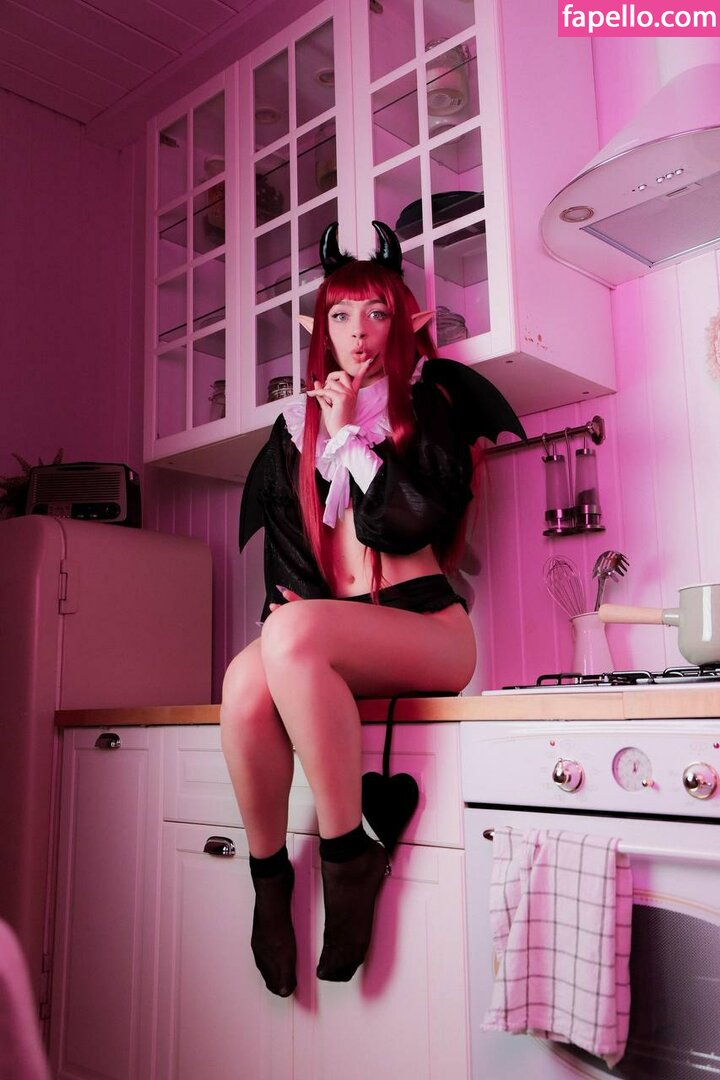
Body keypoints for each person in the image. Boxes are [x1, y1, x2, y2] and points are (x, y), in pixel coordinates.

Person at [220, 221, 525, 998]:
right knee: (243, 681)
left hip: (430, 630)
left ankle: (347, 855)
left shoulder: (431, 405)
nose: (358, 331)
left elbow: (412, 522)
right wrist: (328, 432)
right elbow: (291, 564)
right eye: (341, 315)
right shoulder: (292, 434)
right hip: (348, 638)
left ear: (403, 322)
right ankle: (268, 881)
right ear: (320, 329)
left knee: (289, 635)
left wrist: (354, 439)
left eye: (377, 313)